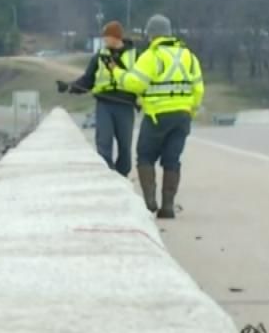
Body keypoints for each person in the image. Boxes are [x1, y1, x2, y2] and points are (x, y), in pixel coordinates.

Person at [109, 14, 204, 219]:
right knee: (172, 160)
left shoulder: (152, 56)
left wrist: (117, 72)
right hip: (182, 117)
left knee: (145, 156)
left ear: (151, 35)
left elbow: (136, 83)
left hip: (157, 116)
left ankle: (150, 201)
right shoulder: (189, 57)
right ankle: (168, 207)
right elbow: (198, 89)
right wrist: (191, 110)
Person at [56, 20, 138, 176]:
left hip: (125, 104)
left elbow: (142, 80)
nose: (104, 40)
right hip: (104, 104)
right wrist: (69, 86)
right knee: (103, 142)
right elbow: (87, 80)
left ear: (116, 37)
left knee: (125, 145)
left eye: (106, 37)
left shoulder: (136, 56)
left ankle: (123, 175)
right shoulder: (99, 57)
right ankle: (107, 174)